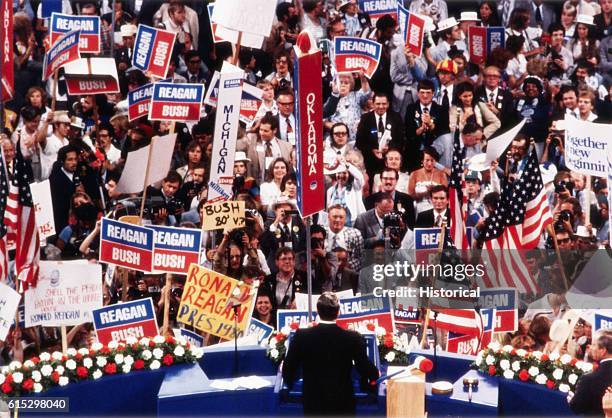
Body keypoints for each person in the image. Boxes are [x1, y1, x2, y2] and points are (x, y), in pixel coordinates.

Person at [282, 292, 379, 416]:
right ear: (338, 312)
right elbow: (363, 366)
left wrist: (287, 378)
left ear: (317, 311)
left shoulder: (301, 336)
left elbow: (288, 370)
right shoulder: (352, 338)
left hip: (313, 403)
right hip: (343, 403)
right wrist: (375, 374)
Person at [569, 330, 612, 415]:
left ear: (603, 351)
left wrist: (571, 399)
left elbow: (577, 407)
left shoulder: (589, 379)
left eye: (594, 345)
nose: (591, 348)